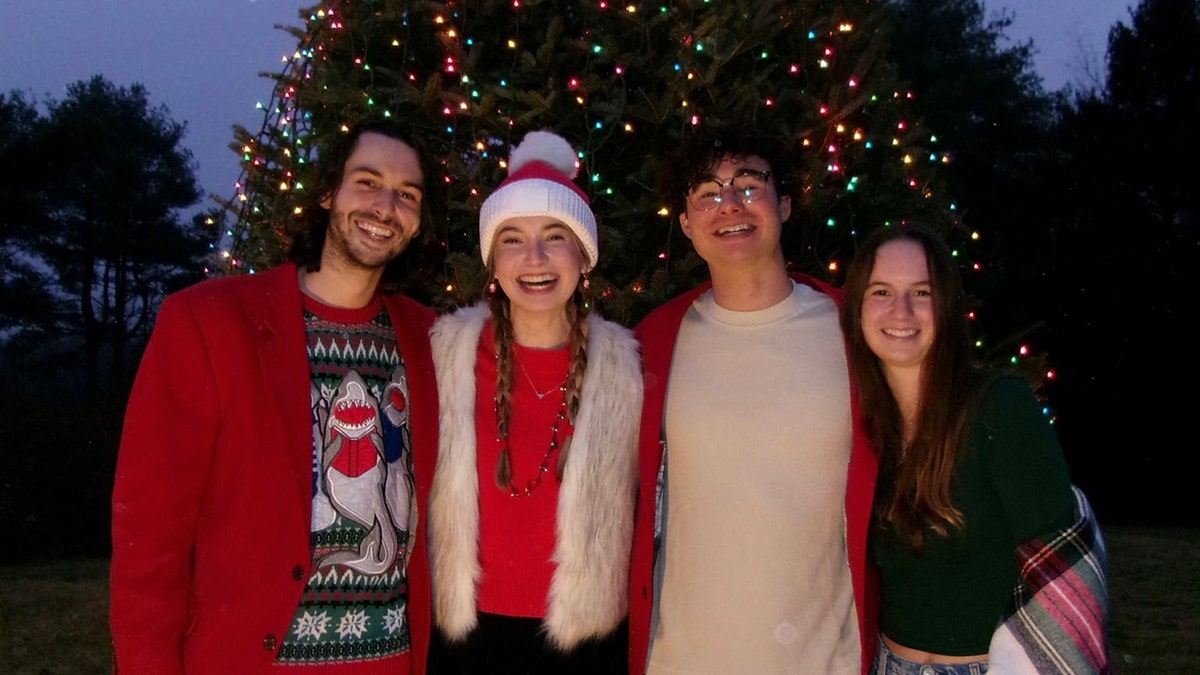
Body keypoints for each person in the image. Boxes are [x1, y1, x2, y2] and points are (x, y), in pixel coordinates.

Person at [109, 119, 445, 673]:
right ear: (326, 192)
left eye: (407, 194)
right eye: (367, 181)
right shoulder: (209, 323)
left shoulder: (431, 340)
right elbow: (150, 537)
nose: (386, 205)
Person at [629, 125, 880, 675]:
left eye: (749, 184)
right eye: (708, 193)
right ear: (687, 224)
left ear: (784, 203)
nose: (730, 205)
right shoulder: (651, 344)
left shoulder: (858, 333)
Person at [838, 223, 1111, 674]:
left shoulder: (999, 407)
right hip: (888, 665)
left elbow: (1068, 576)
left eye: (922, 292)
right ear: (858, 307)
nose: (901, 311)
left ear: (947, 304)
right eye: (881, 291)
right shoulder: (860, 424)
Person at [426, 130, 642, 674]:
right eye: (513, 239)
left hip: (584, 640)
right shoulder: (445, 355)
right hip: (463, 634)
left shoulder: (628, 367)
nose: (535, 258)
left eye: (555, 236)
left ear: (583, 256)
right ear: (493, 262)